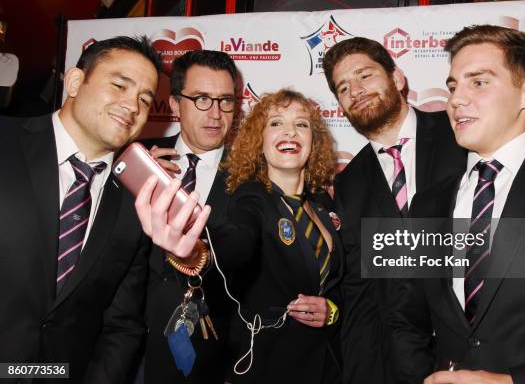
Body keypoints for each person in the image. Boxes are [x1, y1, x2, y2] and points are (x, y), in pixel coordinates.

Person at [390, 24, 525, 384]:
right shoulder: (427, 204)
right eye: (452, 86)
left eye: (478, 82)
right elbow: (406, 318)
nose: (456, 99)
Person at [135, 89, 343, 384]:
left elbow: (339, 286)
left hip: (327, 368)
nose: (290, 132)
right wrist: (195, 254)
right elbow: (238, 240)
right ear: (259, 140)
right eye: (275, 123)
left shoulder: (323, 205)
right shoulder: (252, 198)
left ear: (314, 139)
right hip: (266, 369)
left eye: (301, 124)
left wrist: (332, 310)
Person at [0, 36, 160, 383]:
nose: (132, 106)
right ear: (74, 81)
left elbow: (122, 325)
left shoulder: (135, 204)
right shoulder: (6, 142)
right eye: (119, 85)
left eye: (145, 100)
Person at [321, 37, 466, 384]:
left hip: (474, 346)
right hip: (403, 360)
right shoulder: (349, 184)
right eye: (344, 87)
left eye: (364, 75)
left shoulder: (461, 134)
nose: (356, 90)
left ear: (397, 78)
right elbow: (363, 293)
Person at [140, 50, 238, 384]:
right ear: (173, 104)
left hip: (210, 354)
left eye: (225, 100)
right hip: (130, 345)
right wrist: (137, 183)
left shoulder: (253, 176)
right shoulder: (138, 160)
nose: (215, 114)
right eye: (201, 99)